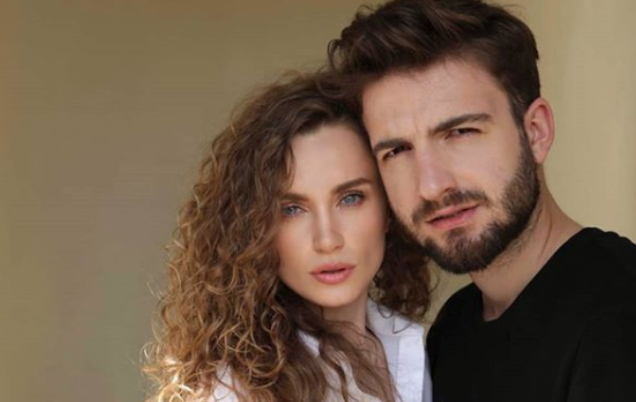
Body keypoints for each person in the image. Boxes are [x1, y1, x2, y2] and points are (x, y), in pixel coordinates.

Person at [327, 0, 636, 401]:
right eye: (398, 151)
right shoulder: (453, 329)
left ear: (536, 132)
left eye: (460, 133)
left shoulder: (620, 312)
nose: (431, 186)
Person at [144, 72, 433, 402]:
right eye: (292, 209)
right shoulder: (234, 391)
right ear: (256, 228)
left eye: (350, 198)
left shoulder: (410, 348)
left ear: (388, 208)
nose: (327, 240)